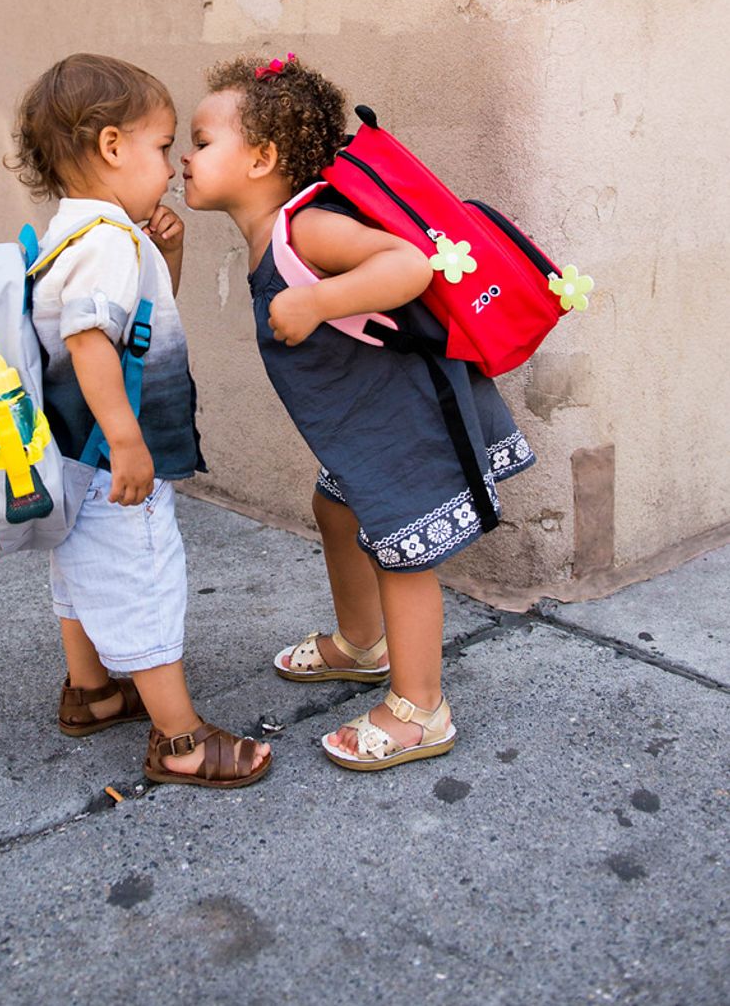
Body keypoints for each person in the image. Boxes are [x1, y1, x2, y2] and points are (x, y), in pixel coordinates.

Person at [182, 54, 535, 771]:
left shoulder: (306, 227)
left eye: (201, 140)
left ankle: (419, 709)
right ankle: (362, 643)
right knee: (334, 509)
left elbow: (408, 264)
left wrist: (314, 301)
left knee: (402, 551)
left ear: (262, 158)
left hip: (403, 422)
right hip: (362, 427)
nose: (185, 158)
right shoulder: (272, 233)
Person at [6, 53, 270, 788]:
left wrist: (167, 252)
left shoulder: (71, 235)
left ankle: (91, 693)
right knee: (143, 575)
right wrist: (128, 440)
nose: (170, 162)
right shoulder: (108, 245)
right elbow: (93, 339)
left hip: (72, 456)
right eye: (160, 147)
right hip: (112, 455)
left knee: (81, 568)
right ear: (113, 146)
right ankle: (180, 737)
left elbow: (136, 328)